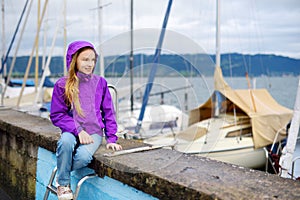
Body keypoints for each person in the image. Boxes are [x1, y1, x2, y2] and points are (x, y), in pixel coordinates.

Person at [50, 40, 122, 200]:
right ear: (74, 60)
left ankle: (61, 172)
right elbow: (57, 115)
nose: (90, 64)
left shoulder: (100, 83)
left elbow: (108, 112)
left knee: (83, 158)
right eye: (85, 59)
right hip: (71, 129)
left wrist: (111, 138)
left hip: (94, 131)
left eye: (93, 60)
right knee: (66, 143)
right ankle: (63, 184)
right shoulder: (62, 85)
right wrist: (78, 130)